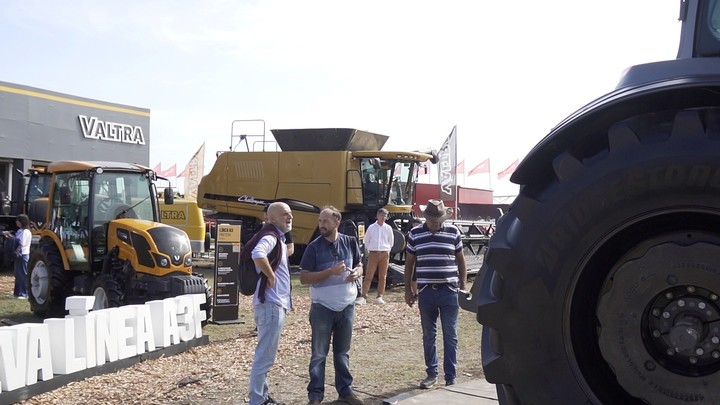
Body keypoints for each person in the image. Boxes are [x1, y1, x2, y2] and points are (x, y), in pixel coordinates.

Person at [299, 206, 363, 405]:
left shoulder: (350, 242)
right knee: (319, 354)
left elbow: (360, 264)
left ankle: (345, 391)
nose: (321, 225)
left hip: (347, 307)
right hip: (322, 308)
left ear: (337, 222)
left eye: (325, 221)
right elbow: (303, 278)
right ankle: (315, 396)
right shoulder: (313, 247)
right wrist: (330, 272)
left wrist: (357, 273)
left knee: (342, 352)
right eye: (320, 221)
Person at [403, 200, 467, 389]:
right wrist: (407, 289)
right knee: (429, 335)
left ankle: (450, 375)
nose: (436, 223)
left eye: (439, 220)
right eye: (433, 220)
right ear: (426, 218)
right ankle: (431, 374)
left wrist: (463, 286)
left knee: (451, 334)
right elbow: (409, 264)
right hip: (426, 292)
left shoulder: (453, 232)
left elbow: (461, 261)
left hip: (449, 291)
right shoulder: (415, 234)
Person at [248, 202, 294, 405]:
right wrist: (270, 275)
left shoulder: (278, 239)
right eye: (285, 214)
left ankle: (262, 397)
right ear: (272, 218)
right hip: (271, 306)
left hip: (272, 305)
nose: (290, 217)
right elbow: (258, 254)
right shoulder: (270, 237)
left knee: (266, 355)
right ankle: (257, 400)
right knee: (265, 357)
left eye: (290, 213)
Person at [356, 208, 393, 305]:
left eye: (385, 216)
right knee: (369, 275)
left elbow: (391, 241)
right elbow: (366, 240)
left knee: (383, 276)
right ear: (377, 216)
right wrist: (370, 251)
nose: (383, 218)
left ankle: (379, 296)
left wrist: (387, 250)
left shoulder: (388, 228)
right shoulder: (371, 227)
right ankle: (363, 296)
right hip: (373, 253)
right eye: (381, 215)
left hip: (384, 253)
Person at [4, 214, 31, 298]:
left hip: (23, 255)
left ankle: (25, 293)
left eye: (18, 220)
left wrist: (11, 237)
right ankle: (17, 293)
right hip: (18, 255)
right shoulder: (20, 231)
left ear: (22, 221)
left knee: (23, 274)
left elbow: (21, 243)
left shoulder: (26, 232)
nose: (16, 222)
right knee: (17, 274)